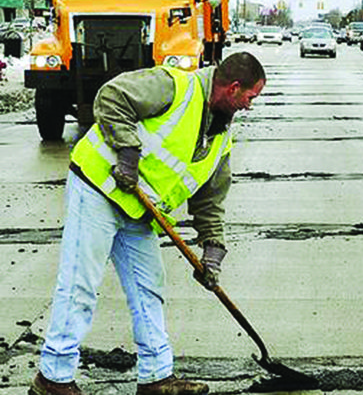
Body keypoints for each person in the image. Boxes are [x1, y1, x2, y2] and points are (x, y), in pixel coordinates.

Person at [29, 52, 266, 395]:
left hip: (139, 210)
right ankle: (52, 377)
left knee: (149, 288)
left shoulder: (219, 135)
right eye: (250, 97)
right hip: (98, 186)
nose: (249, 106)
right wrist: (127, 152)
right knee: (80, 283)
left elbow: (211, 199)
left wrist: (213, 250)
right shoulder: (174, 86)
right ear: (232, 88)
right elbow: (112, 96)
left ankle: (156, 377)